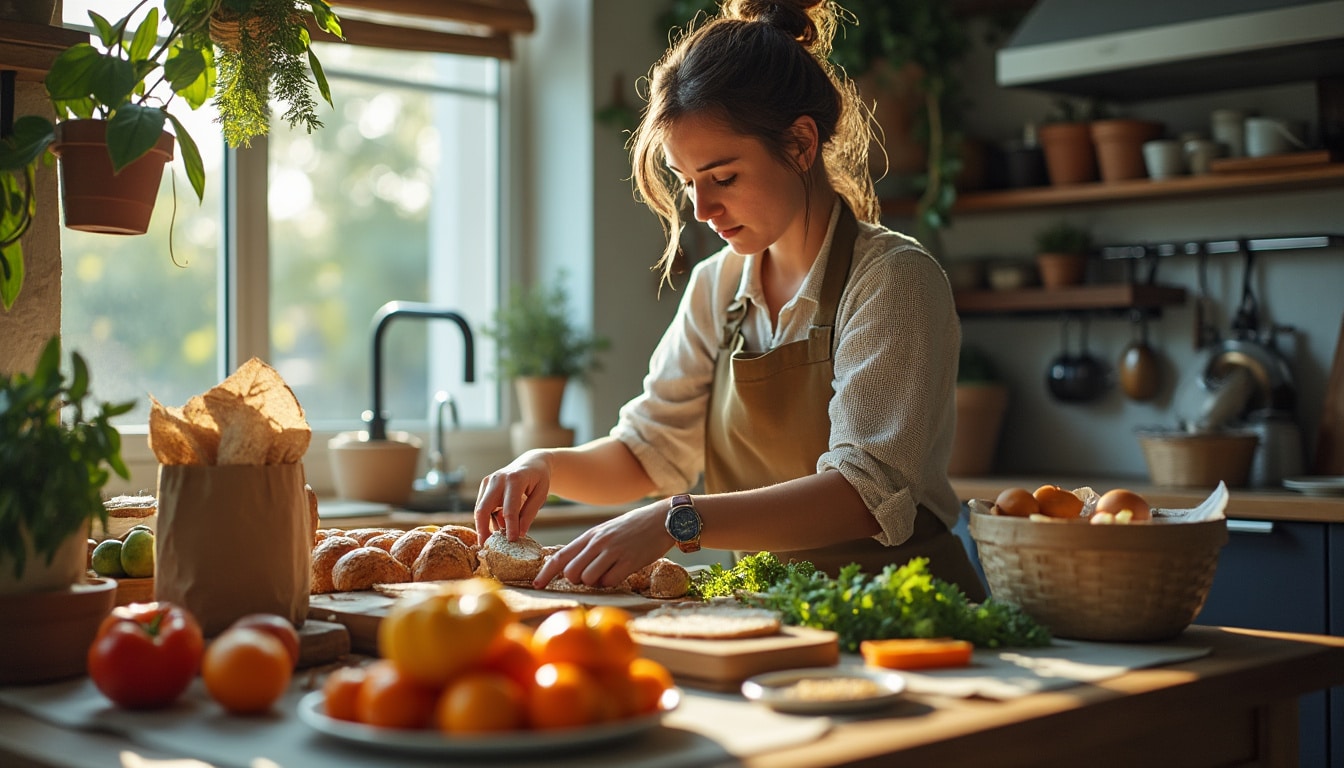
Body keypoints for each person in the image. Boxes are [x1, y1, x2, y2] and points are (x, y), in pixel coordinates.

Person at [474, 0, 986, 601]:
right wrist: (547, 465)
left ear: (800, 144)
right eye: (688, 182)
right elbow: (648, 453)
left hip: (904, 624)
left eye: (723, 176)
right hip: (769, 616)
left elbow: (863, 492)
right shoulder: (718, 287)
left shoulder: (893, 280)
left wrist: (676, 519)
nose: (702, 209)